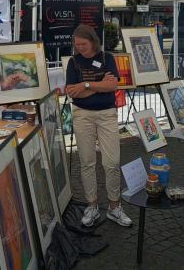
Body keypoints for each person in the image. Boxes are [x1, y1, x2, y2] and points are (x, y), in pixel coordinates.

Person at [65, 24, 131, 227]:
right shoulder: (73, 62)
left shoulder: (106, 58)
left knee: (112, 162)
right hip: (82, 115)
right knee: (86, 162)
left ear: (93, 41)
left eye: (83, 44)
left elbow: (112, 85)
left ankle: (114, 206)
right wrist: (99, 84)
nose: (80, 48)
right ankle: (91, 205)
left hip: (107, 115)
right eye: (77, 44)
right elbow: (71, 92)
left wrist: (86, 85)